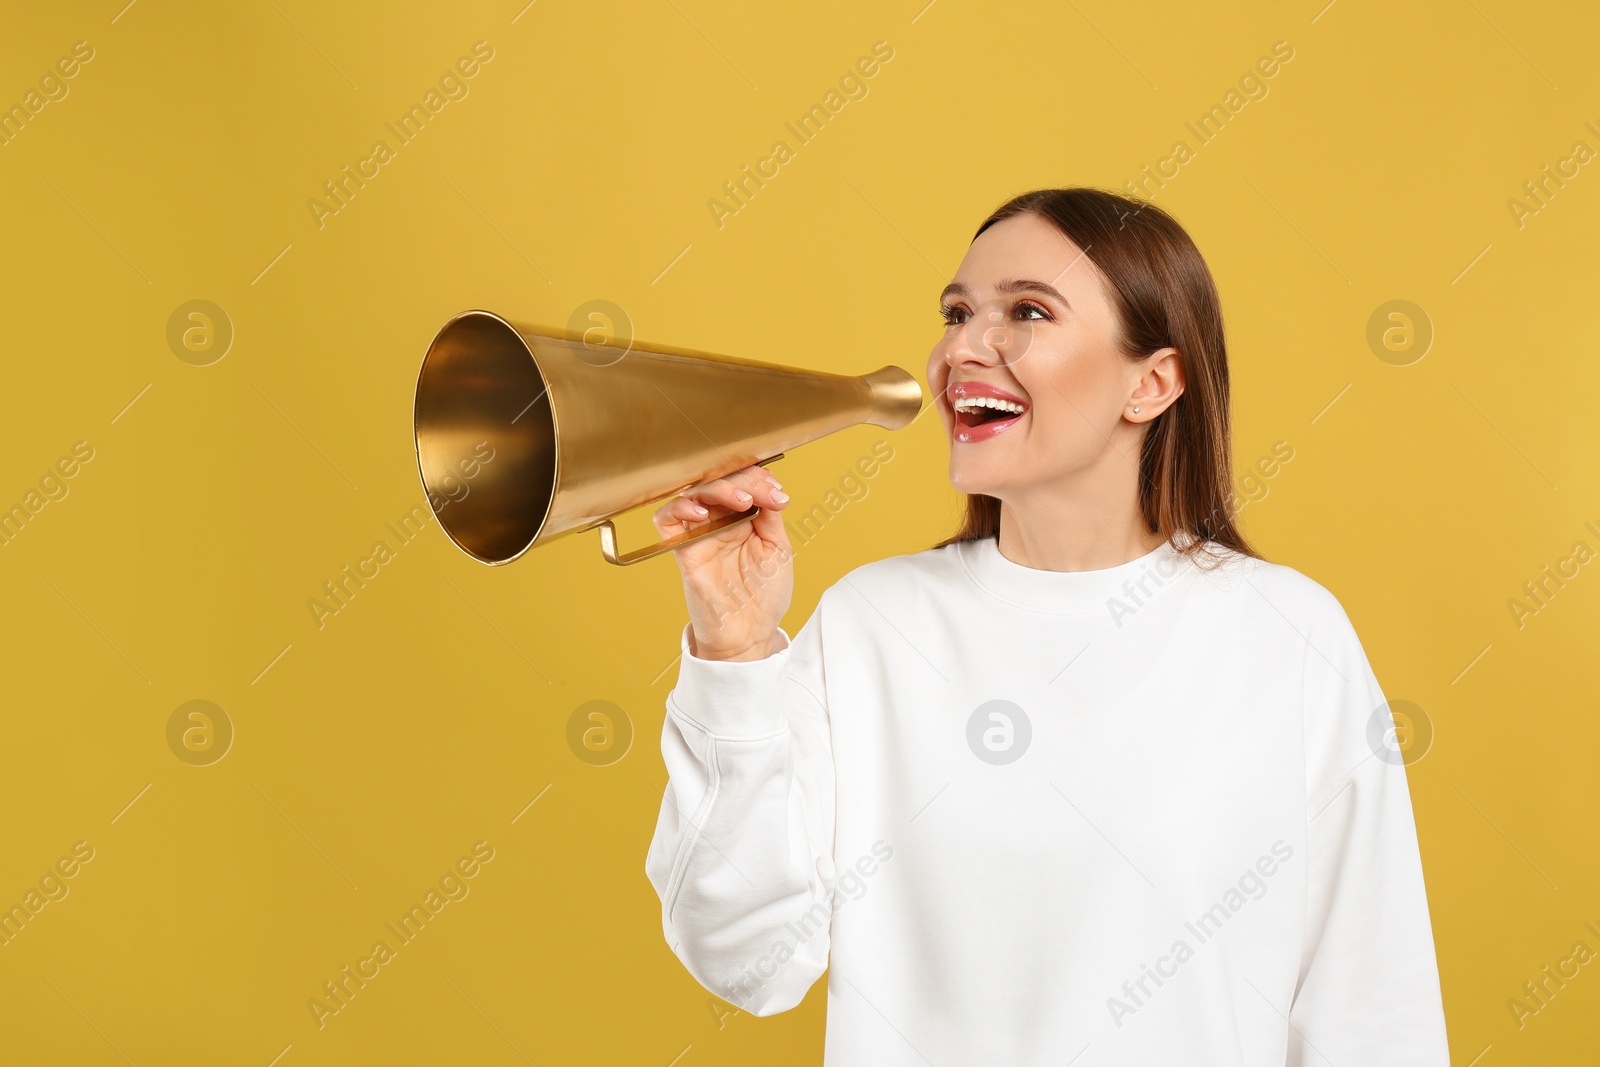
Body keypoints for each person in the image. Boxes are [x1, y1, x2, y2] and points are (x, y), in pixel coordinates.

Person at [643, 187, 1450, 1066]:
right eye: (957, 312)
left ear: (1152, 382)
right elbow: (748, 958)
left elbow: (1371, 1006)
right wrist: (734, 645)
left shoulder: (1287, 634)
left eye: (1027, 310)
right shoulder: (876, 623)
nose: (963, 347)